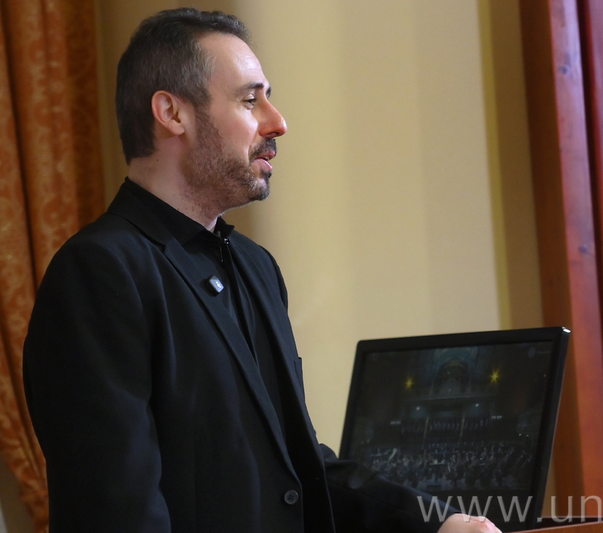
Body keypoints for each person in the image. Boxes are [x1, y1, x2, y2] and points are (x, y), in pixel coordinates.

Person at [22, 8, 499, 533]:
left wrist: (439, 523)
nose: (278, 122)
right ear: (172, 113)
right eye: (251, 101)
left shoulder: (255, 266)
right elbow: (117, 510)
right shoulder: (99, 272)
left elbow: (297, 467)